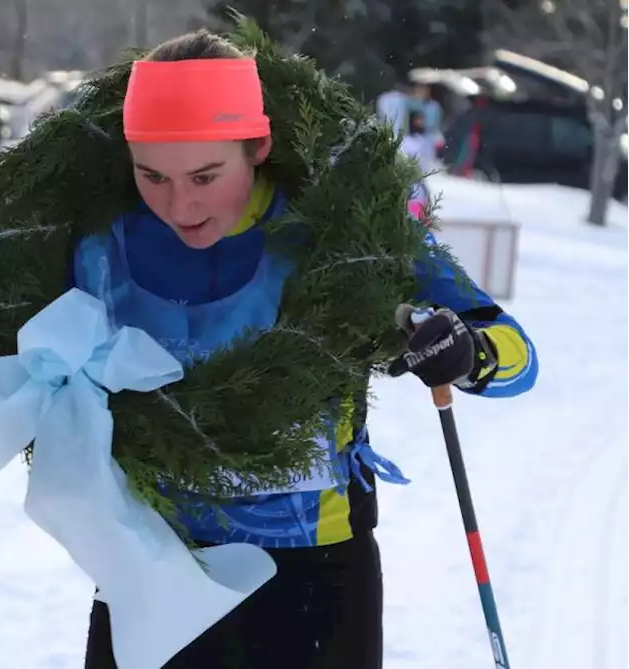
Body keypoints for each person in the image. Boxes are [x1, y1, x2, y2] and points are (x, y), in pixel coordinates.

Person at [72, 29, 539, 669]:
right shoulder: (103, 242)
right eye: (152, 175)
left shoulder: (342, 230)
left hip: (311, 572)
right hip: (154, 558)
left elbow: (518, 357)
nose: (179, 204)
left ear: (258, 147)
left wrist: (467, 352)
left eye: (206, 175)